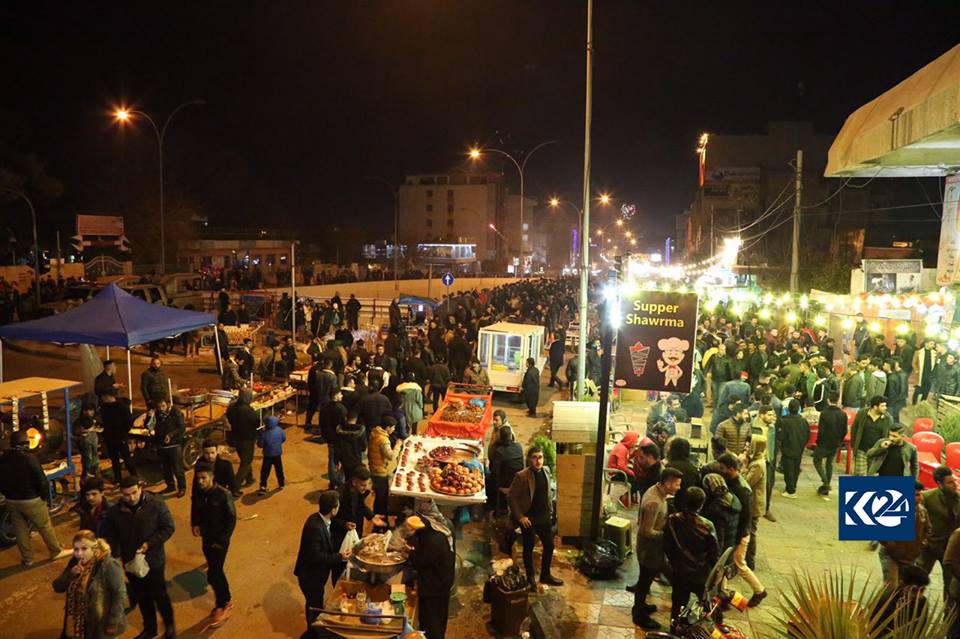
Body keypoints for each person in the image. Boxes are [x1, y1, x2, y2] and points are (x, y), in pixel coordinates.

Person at [101, 476, 177, 639]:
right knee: (142, 596)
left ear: (140, 488)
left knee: (159, 594)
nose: (131, 498)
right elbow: (111, 535)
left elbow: (168, 527)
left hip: (154, 560)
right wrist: (116, 554)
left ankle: (170, 626)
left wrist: (149, 544)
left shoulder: (156, 504)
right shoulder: (116, 512)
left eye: (134, 493)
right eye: (126, 495)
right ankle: (150, 628)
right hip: (130, 562)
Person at [0, 430, 70, 566]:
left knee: (20, 530)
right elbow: (42, 481)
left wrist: (7, 494)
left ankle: (28, 559)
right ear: (25, 443)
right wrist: (44, 497)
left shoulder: (3, 459)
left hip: (12, 501)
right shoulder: (29, 458)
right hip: (31, 499)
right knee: (44, 526)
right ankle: (56, 551)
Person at [631, 467, 683, 631]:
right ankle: (639, 615)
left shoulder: (656, 490)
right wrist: (666, 534)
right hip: (649, 551)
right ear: (667, 483)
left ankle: (641, 607)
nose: (678, 488)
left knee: (646, 580)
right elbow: (646, 531)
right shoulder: (654, 501)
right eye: (676, 484)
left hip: (655, 551)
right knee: (644, 583)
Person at [52, 530, 128, 639]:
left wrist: (113, 621)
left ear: (94, 548)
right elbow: (57, 587)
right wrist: (70, 574)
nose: (79, 554)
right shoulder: (74, 562)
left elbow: (119, 593)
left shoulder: (108, 564)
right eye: (76, 549)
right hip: (76, 622)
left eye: (84, 549)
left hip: (99, 624)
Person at [508, 446, 563, 591]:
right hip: (529, 518)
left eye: (540, 457)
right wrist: (520, 516)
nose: (538, 461)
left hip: (544, 516)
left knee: (549, 545)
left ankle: (545, 574)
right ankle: (531, 578)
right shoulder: (522, 476)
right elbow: (511, 497)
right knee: (529, 548)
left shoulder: (546, 471)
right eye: (535, 457)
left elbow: (548, 493)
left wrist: (551, 511)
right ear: (529, 459)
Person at [716, 453, 767, 607]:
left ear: (731, 469)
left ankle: (759, 591)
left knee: (739, 564)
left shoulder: (742, 489)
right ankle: (722, 595)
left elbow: (746, 517)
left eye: (723, 468)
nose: (720, 470)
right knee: (724, 564)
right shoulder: (732, 482)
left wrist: (738, 539)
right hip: (734, 532)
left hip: (739, 534)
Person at [663, 486, 719, 622]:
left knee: (677, 604)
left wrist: (674, 562)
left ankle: (674, 630)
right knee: (708, 606)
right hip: (701, 573)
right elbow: (714, 553)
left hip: (679, 570)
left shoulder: (672, 519)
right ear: (701, 504)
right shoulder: (707, 525)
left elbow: (667, 546)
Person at [191, 462, 237, 627]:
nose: (200, 481)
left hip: (219, 541)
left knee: (214, 573)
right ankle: (227, 599)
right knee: (215, 571)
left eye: (204, 478)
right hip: (207, 538)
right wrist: (194, 523)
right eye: (198, 478)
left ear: (212, 477)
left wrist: (223, 540)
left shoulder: (223, 494)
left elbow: (231, 519)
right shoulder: (199, 493)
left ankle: (222, 604)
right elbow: (195, 508)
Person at [295, 490, 348, 630]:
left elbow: (332, 523)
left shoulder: (318, 518)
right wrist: (340, 557)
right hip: (310, 576)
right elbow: (316, 557)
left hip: (314, 574)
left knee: (316, 603)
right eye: (338, 506)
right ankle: (313, 632)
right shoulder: (315, 528)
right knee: (314, 606)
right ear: (333, 509)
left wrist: (344, 525)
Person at [407, 515, 456, 639]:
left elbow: (420, 561)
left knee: (431, 620)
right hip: (440, 583)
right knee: (438, 618)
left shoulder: (431, 541)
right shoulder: (434, 534)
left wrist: (410, 553)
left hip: (435, 587)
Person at [918, 465, 960, 602]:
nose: (954, 484)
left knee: (950, 588)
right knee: (917, 580)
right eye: (950, 482)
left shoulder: (958, 499)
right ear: (939, 484)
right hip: (929, 547)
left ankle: (947, 619)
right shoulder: (927, 497)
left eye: (954, 481)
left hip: (950, 550)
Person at [881, 480, 929, 586]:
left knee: (905, 588)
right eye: (916, 495)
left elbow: (928, 529)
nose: (920, 498)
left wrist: (922, 543)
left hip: (910, 558)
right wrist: (891, 546)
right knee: (891, 587)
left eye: (920, 494)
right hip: (891, 556)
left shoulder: (922, 512)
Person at [332, 467, 387, 551]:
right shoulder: (339, 496)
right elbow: (330, 519)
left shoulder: (359, 491)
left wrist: (371, 516)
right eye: (363, 485)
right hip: (341, 538)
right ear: (354, 482)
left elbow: (361, 505)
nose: (366, 488)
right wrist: (344, 524)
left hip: (355, 532)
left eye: (367, 484)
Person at [148, 398, 187, 498]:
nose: (161, 409)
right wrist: (149, 417)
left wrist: (170, 435)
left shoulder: (176, 413)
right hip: (161, 446)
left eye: (163, 406)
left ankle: (182, 488)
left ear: (168, 404)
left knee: (178, 469)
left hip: (174, 446)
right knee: (166, 469)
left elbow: (181, 427)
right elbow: (148, 426)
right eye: (159, 407)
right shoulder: (155, 414)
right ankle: (170, 486)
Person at [814, 390, 848, 497]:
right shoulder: (843, 414)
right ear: (838, 400)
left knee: (817, 461)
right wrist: (839, 441)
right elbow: (844, 430)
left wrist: (818, 442)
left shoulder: (824, 413)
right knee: (829, 463)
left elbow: (821, 430)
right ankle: (826, 487)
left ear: (828, 400)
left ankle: (825, 481)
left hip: (824, 443)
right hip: (835, 443)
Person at [851, 395, 893, 476]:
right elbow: (854, 429)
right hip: (861, 449)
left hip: (876, 452)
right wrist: (854, 444)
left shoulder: (888, 418)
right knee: (859, 475)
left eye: (885, 405)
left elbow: (889, 435)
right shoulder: (862, 413)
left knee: (872, 475)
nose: (885, 408)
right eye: (883, 406)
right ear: (875, 407)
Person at [225, 389, 259, 489]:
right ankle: (235, 486)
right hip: (246, 439)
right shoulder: (247, 410)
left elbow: (229, 417)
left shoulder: (231, 407)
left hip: (235, 437)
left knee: (245, 459)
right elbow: (257, 421)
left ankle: (249, 478)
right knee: (246, 462)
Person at [777, 398, 810, 498]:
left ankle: (790, 490)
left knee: (788, 471)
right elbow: (807, 435)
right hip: (799, 448)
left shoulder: (784, 421)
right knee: (796, 469)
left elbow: (781, 436)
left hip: (787, 448)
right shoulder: (803, 421)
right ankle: (793, 487)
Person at [743, 437, 767, 570]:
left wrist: (744, 466)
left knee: (751, 531)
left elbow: (747, 482)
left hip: (754, 504)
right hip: (753, 503)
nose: (746, 448)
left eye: (749, 446)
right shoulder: (757, 461)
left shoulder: (757, 465)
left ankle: (750, 560)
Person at [368, 418, 402, 515]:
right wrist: (398, 445)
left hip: (374, 467)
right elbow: (391, 456)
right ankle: (381, 519)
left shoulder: (375, 433)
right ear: (387, 427)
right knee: (382, 498)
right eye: (393, 427)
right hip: (379, 471)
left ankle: (379, 515)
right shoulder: (383, 439)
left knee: (379, 496)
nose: (394, 429)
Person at [488, 425, 524, 514]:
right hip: (518, 482)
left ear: (500, 437)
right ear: (511, 436)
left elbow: (494, 471)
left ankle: (494, 508)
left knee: (487, 479)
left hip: (505, 486)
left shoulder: (499, 451)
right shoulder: (518, 447)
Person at [751, 404, 777, 521]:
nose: (772, 417)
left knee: (769, 485)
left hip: (769, 460)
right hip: (757, 459)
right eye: (769, 415)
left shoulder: (772, 427)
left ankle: (766, 509)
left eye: (773, 415)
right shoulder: (754, 426)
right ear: (761, 415)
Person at [320, 388, 348, 489]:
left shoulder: (324, 408)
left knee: (331, 459)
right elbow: (345, 425)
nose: (342, 396)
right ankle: (340, 480)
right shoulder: (341, 409)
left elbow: (321, 423)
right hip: (340, 438)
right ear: (335, 395)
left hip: (329, 438)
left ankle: (333, 481)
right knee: (344, 458)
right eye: (340, 394)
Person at [257, 415, 286, 495]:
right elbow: (284, 438)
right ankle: (281, 483)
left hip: (268, 455)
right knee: (279, 469)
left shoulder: (264, 433)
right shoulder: (280, 430)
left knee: (265, 471)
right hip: (277, 454)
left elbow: (260, 444)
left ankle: (263, 486)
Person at [76, 402, 103, 480]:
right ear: (84, 411)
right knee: (88, 460)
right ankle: (85, 478)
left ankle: (95, 477)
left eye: (92, 410)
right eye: (89, 410)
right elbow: (77, 431)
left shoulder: (94, 419)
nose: (91, 412)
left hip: (93, 444)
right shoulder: (80, 421)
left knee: (95, 461)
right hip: (86, 444)